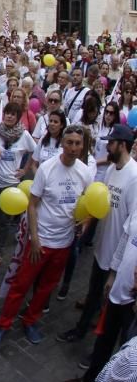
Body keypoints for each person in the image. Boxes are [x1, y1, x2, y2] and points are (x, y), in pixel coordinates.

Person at [0, 124, 93, 347]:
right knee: (21, 285)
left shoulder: (85, 172)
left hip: (64, 243)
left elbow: (89, 204)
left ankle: (30, 321)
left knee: (47, 287)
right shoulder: (47, 168)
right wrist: (34, 239)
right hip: (41, 241)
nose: (73, 148)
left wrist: (84, 224)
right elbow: (32, 205)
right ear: (62, 144)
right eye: (69, 143)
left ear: (82, 145)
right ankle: (3, 324)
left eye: (77, 143)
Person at [58, 124, 137, 344]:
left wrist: (116, 265)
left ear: (122, 145)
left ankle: (84, 333)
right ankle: (86, 324)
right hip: (102, 247)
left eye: (111, 143)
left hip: (115, 256)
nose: (107, 147)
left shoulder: (134, 176)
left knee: (102, 298)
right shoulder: (112, 169)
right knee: (95, 292)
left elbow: (131, 224)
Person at [0, 103, 36, 267]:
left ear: (18, 117)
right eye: (7, 113)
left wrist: (25, 169)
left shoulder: (24, 135)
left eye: (13, 114)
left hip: (10, 185)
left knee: (4, 222)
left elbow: (35, 151)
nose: (9, 116)